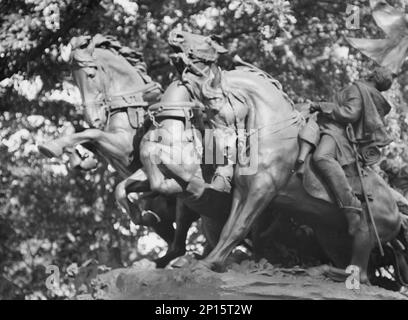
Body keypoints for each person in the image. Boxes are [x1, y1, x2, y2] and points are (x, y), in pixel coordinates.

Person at [310, 66, 394, 236]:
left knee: (322, 157)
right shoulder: (363, 90)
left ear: (372, 74)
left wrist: (321, 105)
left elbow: (350, 114)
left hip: (337, 132)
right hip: (327, 126)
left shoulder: (358, 89)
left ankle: (351, 206)